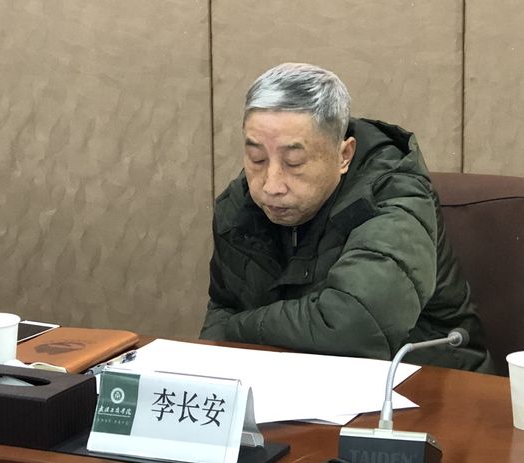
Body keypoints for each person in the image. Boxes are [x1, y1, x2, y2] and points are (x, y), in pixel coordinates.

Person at [199, 62, 494, 373]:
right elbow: (223, 308)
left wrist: (237, 328)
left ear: (344, 155)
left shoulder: (395, 194)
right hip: (302, 382)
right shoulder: (240, 203)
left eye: (294, 162)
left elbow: (353, 325)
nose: (271, 185)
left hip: (429, 383)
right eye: (257, 158)